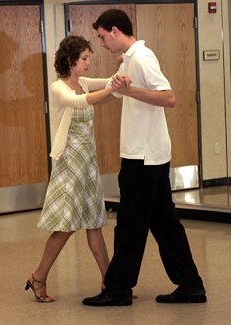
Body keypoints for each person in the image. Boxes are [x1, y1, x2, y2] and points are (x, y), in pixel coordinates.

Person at [82, 9, 206, 307]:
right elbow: (120, 91)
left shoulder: (142, 57)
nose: (101, 43)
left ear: (115, 30)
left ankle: (118, 289)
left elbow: (169, 98)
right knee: (164, 223)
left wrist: (131, 89)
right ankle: (191, 286)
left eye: (102, 37)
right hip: (146, 155)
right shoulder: (128, 59)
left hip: (144, 158)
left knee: (129, 223)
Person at [25, 35, 114, 303]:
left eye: (90, 57)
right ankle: (38, 277)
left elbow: (108, 86)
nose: (88, 63)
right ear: (69, 60)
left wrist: (123, 71)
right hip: (69, 164)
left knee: (94, 224)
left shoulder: (85, 83)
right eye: (84, 58)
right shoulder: (58, 87)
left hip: (87, 164)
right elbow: (80, 102)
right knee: (65, 226)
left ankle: (112, 283)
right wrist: (112, 89)